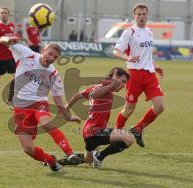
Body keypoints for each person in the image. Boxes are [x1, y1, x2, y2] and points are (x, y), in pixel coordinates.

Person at [0, 36, 81, 172]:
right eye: (50, 54)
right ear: (43, 51)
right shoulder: (26, 54)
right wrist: (7, 39)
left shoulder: (53, 74)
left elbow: (58, 98)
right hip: (20, 108)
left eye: (55, 57)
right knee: (28, 149)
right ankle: (51, 161)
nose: (51, 58)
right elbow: (2, 39)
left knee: (47, 123)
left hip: (39, 103)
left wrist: (67, 116)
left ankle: (70, 154)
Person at [58, 67, 134, 168]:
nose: (124, 85)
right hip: (95, 131)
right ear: (114, 78)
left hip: (88, 132)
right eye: (123, 81)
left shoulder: (99, 86)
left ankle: (55, 162)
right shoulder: (105, 86)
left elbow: (77, 96)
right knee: (129, 139)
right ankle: (99, 157)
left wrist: (67, 108)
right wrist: (114, 81)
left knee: (87, 159)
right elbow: (94, 94)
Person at [113, 3, 164, 147]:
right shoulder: (130, 32)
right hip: (134, 75)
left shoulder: (149, 31)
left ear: (147, 15)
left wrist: (155, 65)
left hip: (149, 75)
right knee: (129, 109)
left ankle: (137, 129)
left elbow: (146, 54)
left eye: (144, 14)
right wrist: (128, 58)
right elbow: (116, 51)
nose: (141, 17)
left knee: (160, 106)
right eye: (139, 14)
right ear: (134, 16)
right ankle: (116, 132)